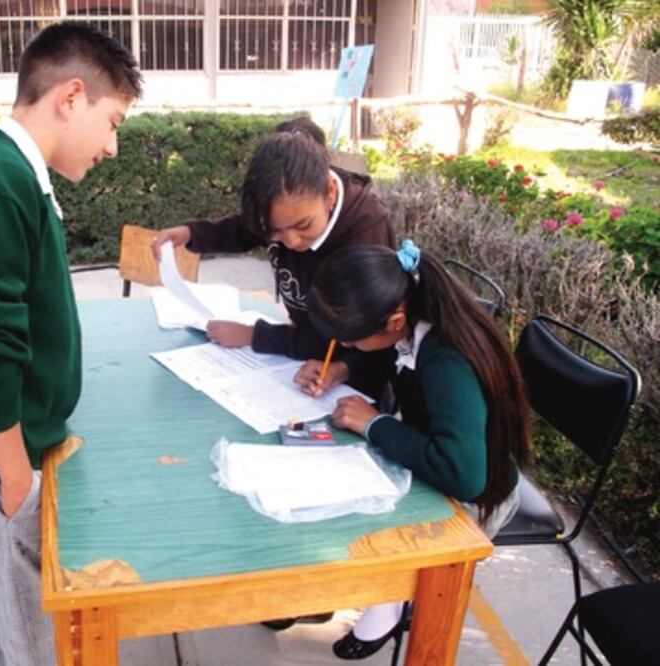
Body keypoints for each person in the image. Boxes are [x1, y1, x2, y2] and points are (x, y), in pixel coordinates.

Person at [0, 23, 142, 666]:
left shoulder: (17, 175)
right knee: (36, 650)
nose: (113, 146)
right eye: (113, 120)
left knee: (14, 635)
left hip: (11, 460)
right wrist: (16, 478)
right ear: (71, 97)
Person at [293, 240, 531, 660]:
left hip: (475, 496)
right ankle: (328, 589)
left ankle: (395, 601)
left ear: (395, 320)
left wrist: (375, 423)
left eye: (349, 341)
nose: (343, 345)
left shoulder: (447, 360)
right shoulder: (412, 314)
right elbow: (385, 357)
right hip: (434, 452)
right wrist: (342, 369)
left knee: (349, 507)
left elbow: (464, 474)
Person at [151, 128, 394, 360]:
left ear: (330, 193)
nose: (290, 241)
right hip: (302, 346)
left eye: (304, 226)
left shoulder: (365, 235)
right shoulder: (287, 211)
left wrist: (255, 335)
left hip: (349, 368)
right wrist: (191, 234)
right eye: (274, 230)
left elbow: (358, 337)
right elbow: (244, 230)